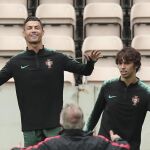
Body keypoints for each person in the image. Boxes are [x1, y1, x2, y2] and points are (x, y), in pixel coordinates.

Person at [0, 16, 101, 147]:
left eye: (37, 27)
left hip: (54, 125)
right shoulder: (16, 62)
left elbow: (85, 71)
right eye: (29, 28)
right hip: (30, 127)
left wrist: (90, 63)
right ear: (24, 33)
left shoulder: (57, 58)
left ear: (43, 31)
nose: (33, 30)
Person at [85, 47, 150, 150]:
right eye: (120, 63)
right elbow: (95, 115)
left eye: (127, 63)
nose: (122, 67)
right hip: (105, 145)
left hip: (129, 147)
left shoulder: (146, 92)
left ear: (136, 65)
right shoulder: (108, 85)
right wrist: (84, 135)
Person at [11, 103, 130, 150]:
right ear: (83, 123)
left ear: (61, 123)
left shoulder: (50, 144)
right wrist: (117, 139)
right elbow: (125, 148)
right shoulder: (99, 142)